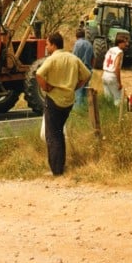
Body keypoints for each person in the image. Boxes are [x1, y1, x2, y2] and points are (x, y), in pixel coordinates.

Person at [35, 31, 92, 176]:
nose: (46, 47)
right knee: (59, 133)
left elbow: (39, 74)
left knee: (52, 135)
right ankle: (60, 165)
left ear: (54, 45)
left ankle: (56, 170)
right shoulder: (73, 58)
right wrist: (75, 87)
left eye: (47, 44)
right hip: (68, 101)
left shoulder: (52, 59)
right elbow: (87, 74)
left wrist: (46, 87)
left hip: (54, 100)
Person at [101, 34, 128, 105]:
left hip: (105, 74)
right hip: (112, 75)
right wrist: (119, 83)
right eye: (124, 42)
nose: (126, 44)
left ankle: (108, 110)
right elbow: (116, 67)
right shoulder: (119, 52)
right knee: (118, 98)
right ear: (119, 43)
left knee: (108, 98)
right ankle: (117, 111)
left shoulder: (111, 49)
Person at [72, 27, 95, 112]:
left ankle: (78, 111)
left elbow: (74, 58)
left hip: (79, 71)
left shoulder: (77, 44)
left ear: (76, 36)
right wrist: (91, 69)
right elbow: (93, 59)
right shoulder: (89, 44)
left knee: (78, 91)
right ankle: (86, 109)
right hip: (88, 70)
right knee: (85, 90)